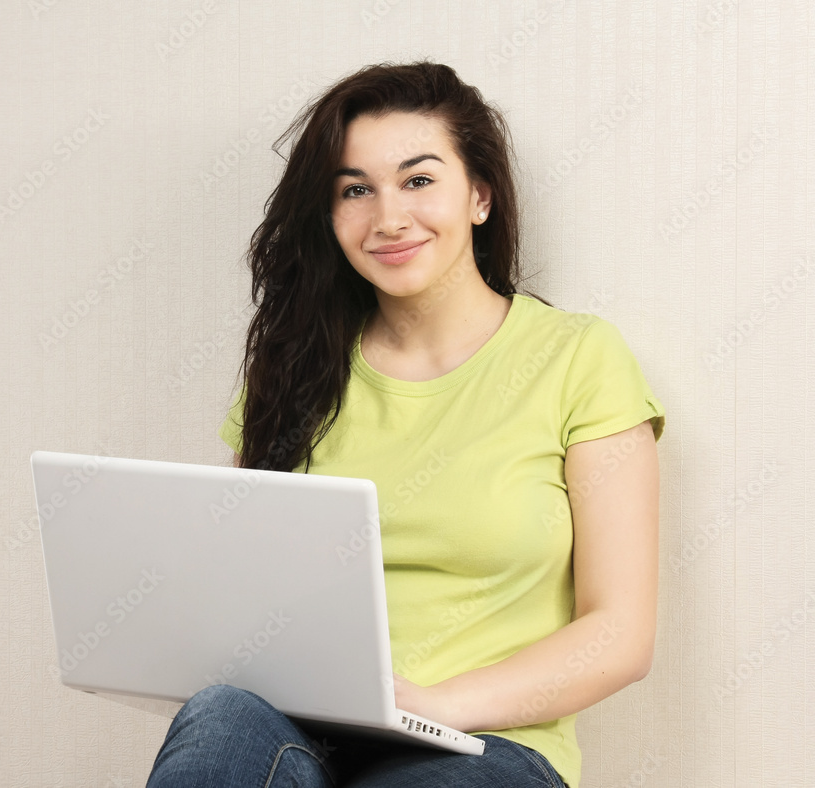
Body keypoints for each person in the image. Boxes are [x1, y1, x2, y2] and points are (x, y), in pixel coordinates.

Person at [146, 60, 665, 788]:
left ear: (480, 195)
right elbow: (248, 596)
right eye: (356, 190)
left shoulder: (579, 358)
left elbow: (619, 635)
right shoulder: (293, 368)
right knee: (218, 717)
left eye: (419, 180)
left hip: (484, 747)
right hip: (302, 725)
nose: (388, 217)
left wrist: (434, 704)